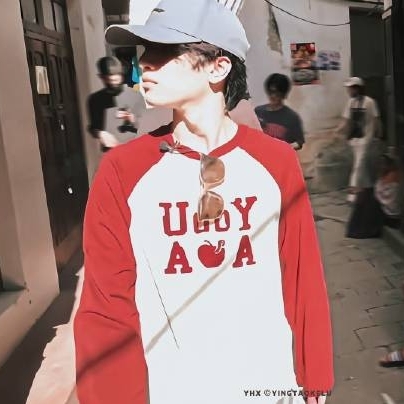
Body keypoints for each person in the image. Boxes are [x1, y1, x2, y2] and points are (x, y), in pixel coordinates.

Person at [74, 1, 333, 403]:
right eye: (145, 51)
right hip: (175, 390)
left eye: (166, 51)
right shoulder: (122, 172)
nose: (145, 63)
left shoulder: (276, 161)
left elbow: (302, 277)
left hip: (270, 386)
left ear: (218, 67)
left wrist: (314, 376)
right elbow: (105, 308)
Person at [336, 77, 381, 202]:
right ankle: (369, 188)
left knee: (358, 166)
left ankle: (353, 194)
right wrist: (338, 130)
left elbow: (376, 119)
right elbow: (346, 120)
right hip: (354, 138)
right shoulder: (351, 102)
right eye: (349, 89)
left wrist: (379, 134)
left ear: (358, 88)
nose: (349, 91)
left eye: (351, 88)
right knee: (361, 166)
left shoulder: (370, 102)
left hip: (366, 138)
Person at [87, 56, 146, 152]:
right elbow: (93, 128)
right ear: (101, 77)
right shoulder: (95, 99)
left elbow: (148, 124)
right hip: (111, 151)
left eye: (117, 80)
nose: (114, 84)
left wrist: (132, 118)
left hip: (134, 148)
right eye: (110, 81)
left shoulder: (135, 95)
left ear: (122, 75)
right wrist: (100, 134)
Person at [254, 73, 305, 150]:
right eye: (271, 92)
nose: (273, 96)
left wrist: (285, 148)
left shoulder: (292, 117)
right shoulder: (258, 112)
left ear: (283, 94)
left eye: (277, 93)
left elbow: (299, 142)